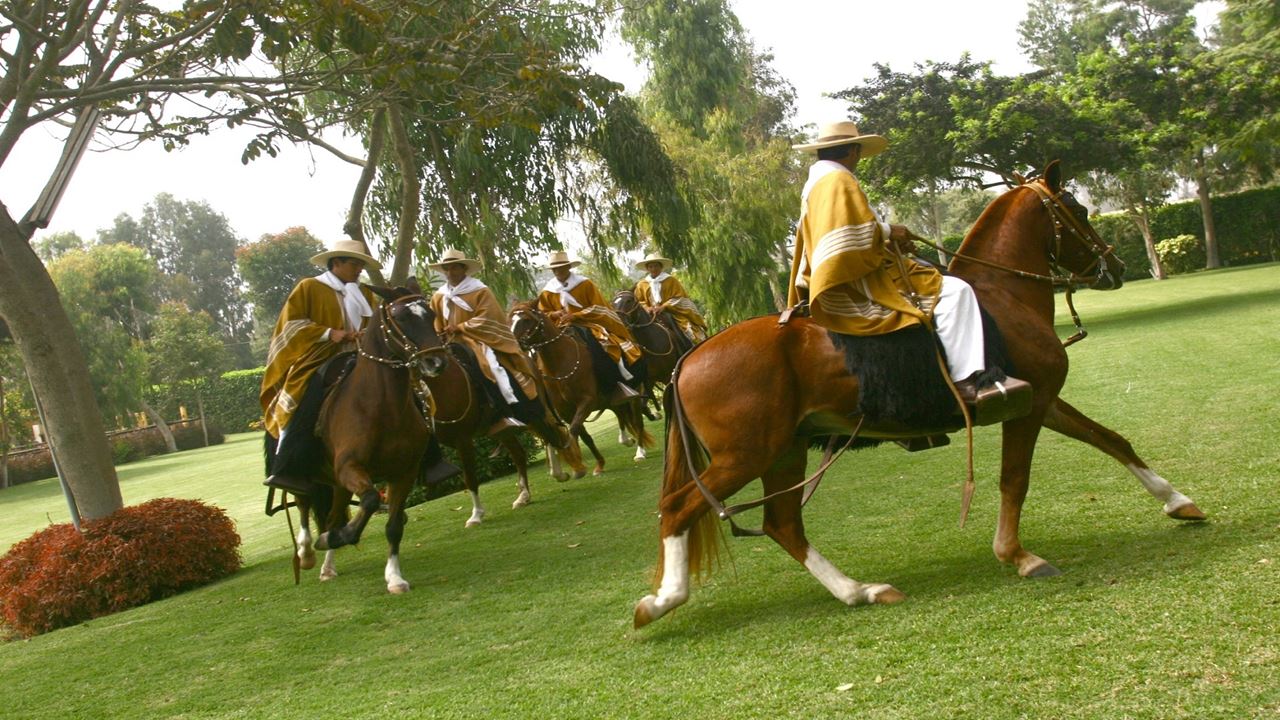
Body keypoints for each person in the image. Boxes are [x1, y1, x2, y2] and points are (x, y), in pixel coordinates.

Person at [788, 120, 1029, 420]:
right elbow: (850, 235)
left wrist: (889, 237)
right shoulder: (838, 181)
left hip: (850, 270)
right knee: (957, 291)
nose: (859, 159)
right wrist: (890, 231)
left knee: (938, 279)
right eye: (858, 152)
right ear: (852, 151)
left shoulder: (817, 183)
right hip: (857, 280)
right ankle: (965, 382)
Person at [259, 239, 381, 493]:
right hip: (320, 359)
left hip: (363, 356)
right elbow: (290, 325)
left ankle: (429, 456)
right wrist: (328, 333)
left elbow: (376, 323)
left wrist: (366, 334)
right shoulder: (310, 287)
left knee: (406, 384)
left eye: (361, 264)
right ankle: (288, 467)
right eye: (355, 264)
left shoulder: (365, 293)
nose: (359, 269)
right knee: (306, 396)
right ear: (336, 263)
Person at [427, 248, 568, 442]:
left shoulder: (480, 290)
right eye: (447, 269)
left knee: (491, 367)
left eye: (454, 268)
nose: (450, 272)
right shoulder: (438, 296)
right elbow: (434, 321)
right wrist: (439, 333)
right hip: (449, 344)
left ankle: (506, 412)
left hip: (477, 341)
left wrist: (460, 327)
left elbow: (489, 318)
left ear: (464, 269)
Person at [535, 250, 642, 402]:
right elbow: (543, 312)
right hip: (561, 327)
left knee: (601, 347)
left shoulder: (584, 284)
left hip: (588, 324)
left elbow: (598, 307)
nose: (557, 271)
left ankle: (617, 385)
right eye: (554, 268)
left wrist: (576, 315)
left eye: (561, 267)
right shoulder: (547, 291)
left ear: (568, 267)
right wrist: (554, 314)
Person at [631, 252, 708, 343]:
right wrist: (647, 308)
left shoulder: (671, 280)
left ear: (661, 267)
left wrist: (664, 306)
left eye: (656, 266)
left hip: (672, 312)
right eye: (651, 266)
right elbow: (638, 301)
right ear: (647, 268)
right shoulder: (641, 284)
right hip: (650, 314)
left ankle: (693, 347)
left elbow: (680, 298)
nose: (653, 269)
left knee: (689, 331)